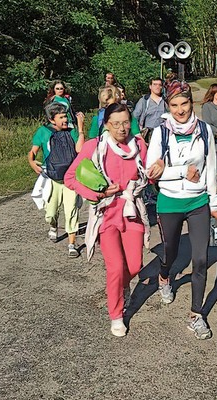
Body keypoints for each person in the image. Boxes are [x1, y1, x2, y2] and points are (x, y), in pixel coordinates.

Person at [65, 103, 149, 337]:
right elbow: (70, 177)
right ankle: (116, 314)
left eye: (126, 122)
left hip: (132, 211)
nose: (122, 128)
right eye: (116, 123)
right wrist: (98, 194)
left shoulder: (139, 145)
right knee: (114, 268)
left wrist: (155, 173)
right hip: (107, 214)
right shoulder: (95, 146)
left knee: (133, 265)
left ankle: (123, 286)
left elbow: (149, 175)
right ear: (106, 124)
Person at [146, 80, 217, 340]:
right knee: (171, 253)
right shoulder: (160, 132)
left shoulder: (204, 130)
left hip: (198, 202)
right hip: (170, 202)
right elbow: (150, 172)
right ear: (168, 105)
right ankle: (164, 277)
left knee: (201, 260)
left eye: (184, 104)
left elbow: (210, 166)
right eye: (174, 105)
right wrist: (181, 172)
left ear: (192, 103)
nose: (180, 110)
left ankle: (196, 315)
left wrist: (215, 203)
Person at [28, 102, 85, 257]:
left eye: (65, 116)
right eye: (61, 117)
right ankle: (53, 226)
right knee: (51, 213)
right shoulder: (43, 132)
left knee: (71, 209)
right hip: (52, 178)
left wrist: (80, 129)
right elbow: (32, 152)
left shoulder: (72, 131)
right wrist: (32, 162)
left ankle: (72, 244)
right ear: (52, 120)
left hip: (71, 178)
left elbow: (80, 149)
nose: (65, 119)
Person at [132, 78, 166, 142]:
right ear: (150, 86)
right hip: (147, 135)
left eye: (160, 85)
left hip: (163, 134)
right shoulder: (144, 101)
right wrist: (137, 134)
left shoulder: (166, 101)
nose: (157, 87)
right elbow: (134, 117)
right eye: (155, 84)